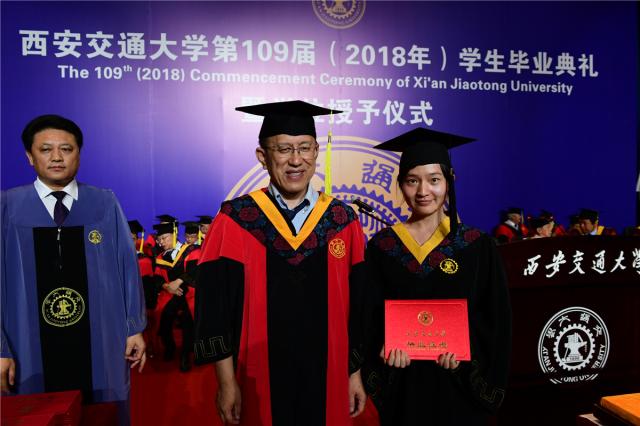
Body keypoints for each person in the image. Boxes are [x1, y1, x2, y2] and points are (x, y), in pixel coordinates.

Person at [194, 100, 367, 426]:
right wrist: (226, 382)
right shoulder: (236, 219)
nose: (296, 160)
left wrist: (354, 373)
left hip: (329, 376)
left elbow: (357, 308)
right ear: (263, 156)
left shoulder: (342, 220)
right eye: (284, 149)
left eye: (304, 148)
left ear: (316, 152)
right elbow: (214, 309)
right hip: (255, 378)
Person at [1, 115, 146, 423]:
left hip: (99, 343)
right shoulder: (7, 207)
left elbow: (127, 267)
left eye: (66, 149)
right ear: (30, 156)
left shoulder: (103, 203)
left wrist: (134, 326)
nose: (56, 157)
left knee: (101, 415)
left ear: (79, 153)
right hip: (26, 347)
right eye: (46, 149)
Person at [363, 127, 512, 425]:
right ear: (400, 184)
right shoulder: (384, 246)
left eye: (434, 180)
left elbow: (496, 320)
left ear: (449, 181)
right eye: (412, 181)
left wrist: (468, 359)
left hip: (459, 390)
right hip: (403, 389)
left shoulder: (475, 245)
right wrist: (383, 348)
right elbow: (367, 316)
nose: (423, 192)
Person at [152, 216, 197, 372]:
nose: (162, 242)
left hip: (189, 292)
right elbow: (157, 278)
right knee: (163, 313)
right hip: (171, 294)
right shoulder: (160, 257)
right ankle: (169, 346)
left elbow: (195, 271)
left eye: (164, 238)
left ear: (174, 234)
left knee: (188, 317)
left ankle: (186, 354)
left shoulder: (190, 250)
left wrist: (177, 282)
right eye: (159, 240)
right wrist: (166, 286)